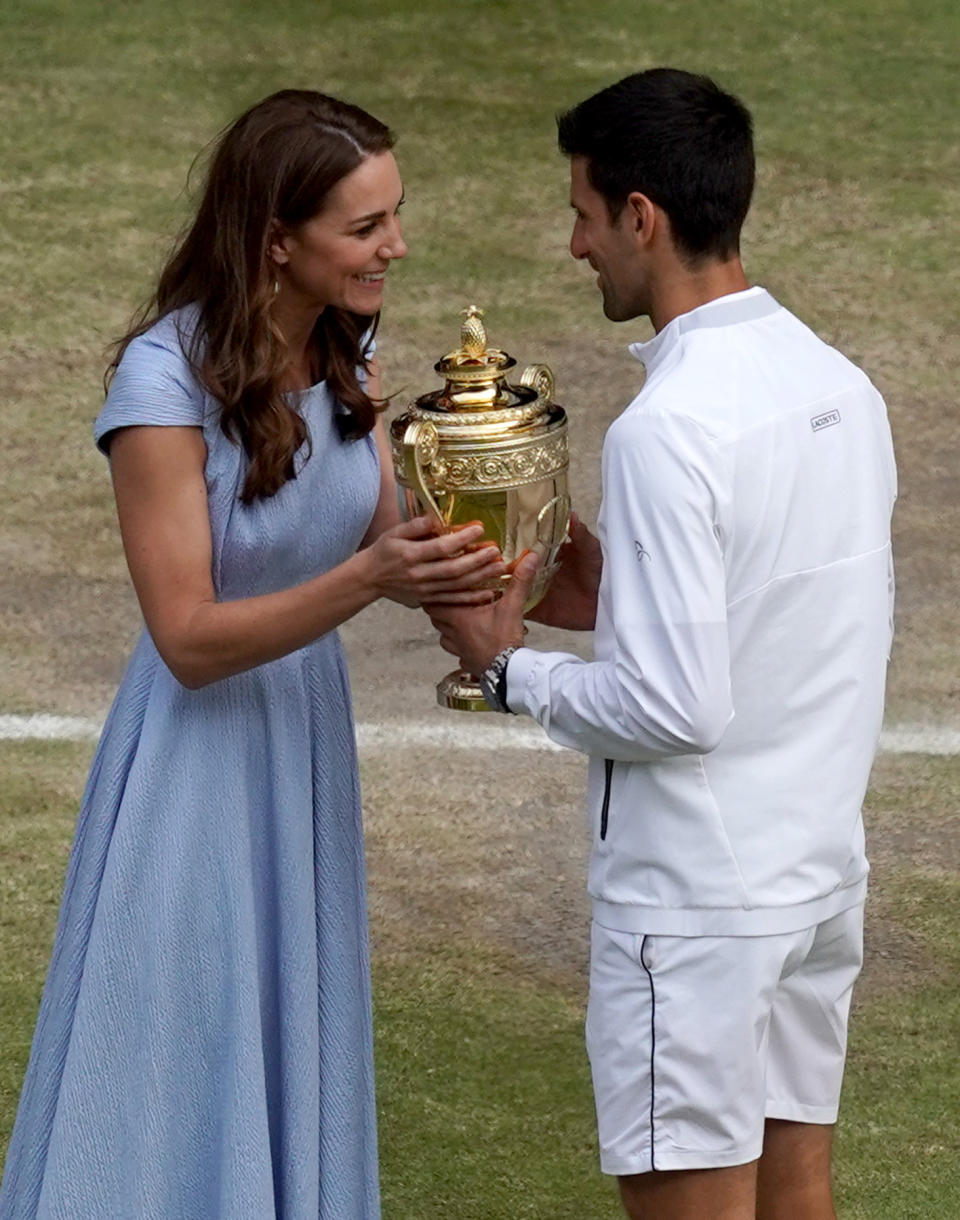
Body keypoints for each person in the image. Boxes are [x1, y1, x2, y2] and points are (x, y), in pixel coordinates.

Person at [0, 90, 504, 1220]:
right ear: (278, 239)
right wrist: (369, 581)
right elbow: (185, 634)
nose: (396, 245)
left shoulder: (345, 347)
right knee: (178, 1054)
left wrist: (504, 553)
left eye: (396, 216)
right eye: (365, 227)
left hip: (299, 748)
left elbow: (395, 531)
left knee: (276, 1039)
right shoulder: (160, 381)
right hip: (192, 766)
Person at [429, 68, 896, 1219]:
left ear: (643, 215)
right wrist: (615, 591)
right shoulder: (843, 386)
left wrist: (504, 669)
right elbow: (780, 615)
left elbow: (676, 708)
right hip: (815, 884)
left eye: (584, 213)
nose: (574, 243)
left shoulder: (669, 430)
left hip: (693, 912)